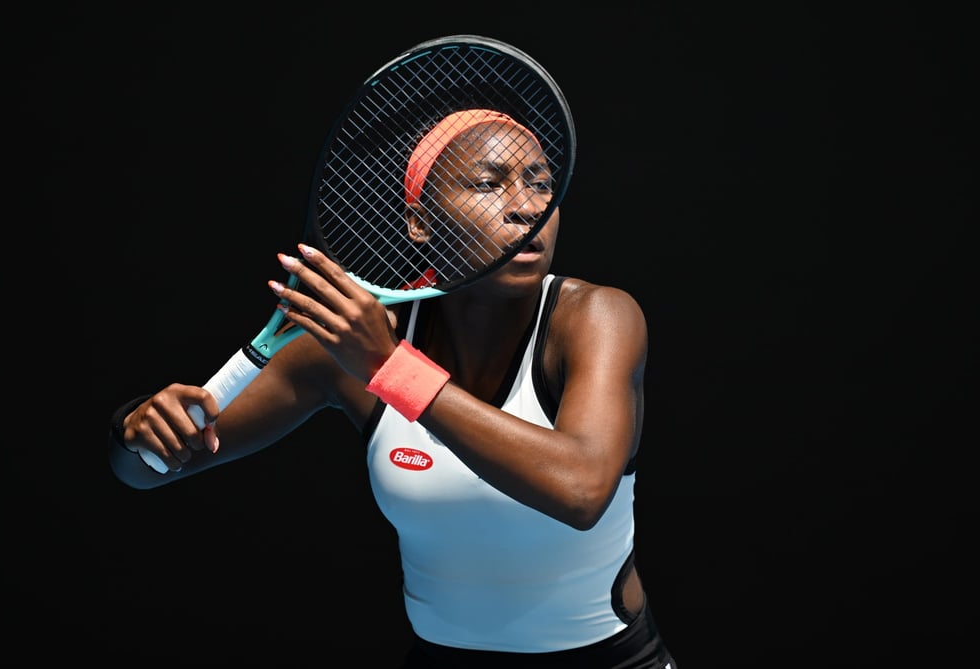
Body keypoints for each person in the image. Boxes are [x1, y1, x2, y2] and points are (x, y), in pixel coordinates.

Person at [108, 106, 678, 668]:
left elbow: (579, 492)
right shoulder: (348, 344)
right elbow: (148, 471)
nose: (526, 208)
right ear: (420, 221)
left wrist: (392, 369)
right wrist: (139, 428)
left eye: (540, 184)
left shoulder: (595, 317)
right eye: (487, 183)